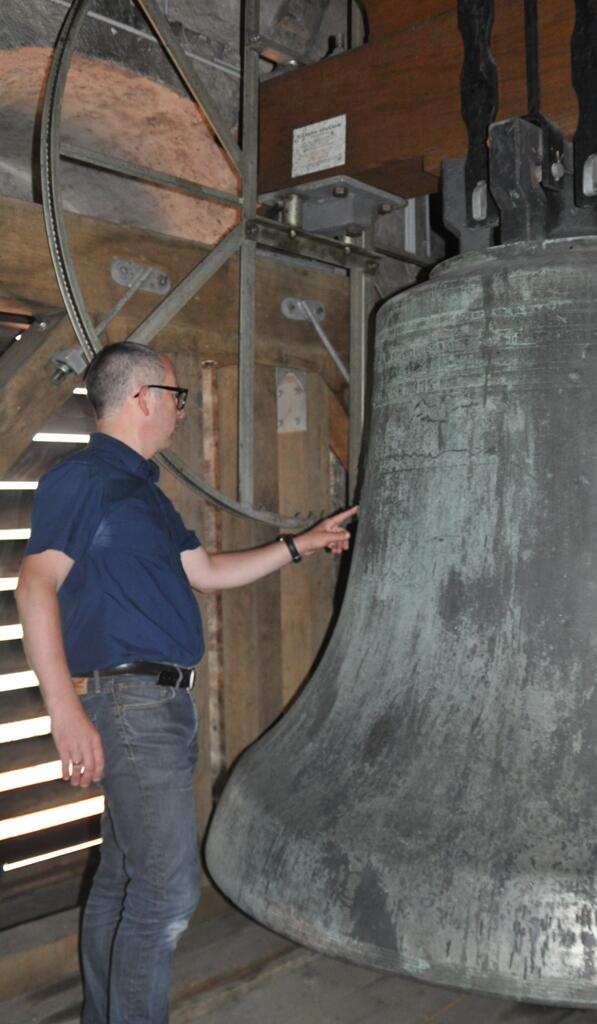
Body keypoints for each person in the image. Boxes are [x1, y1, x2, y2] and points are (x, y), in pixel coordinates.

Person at [15, 340, 357, 1024]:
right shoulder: (82, 480)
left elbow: (205, 573)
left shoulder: (144, 490)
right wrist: (64, 711)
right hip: (131, 703)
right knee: (168, 894)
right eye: (175, 397)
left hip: (160, 705)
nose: (179, 411)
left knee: (122, 880)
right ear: (142, 398)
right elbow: (34, 585)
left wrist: (302, 544)